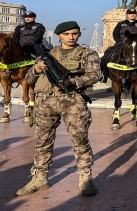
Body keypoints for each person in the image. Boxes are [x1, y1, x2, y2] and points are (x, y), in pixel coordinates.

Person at [16, 21, 100, 196]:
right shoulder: (46, 55)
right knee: (42, 142)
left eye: (75, 33)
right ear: (59, 35)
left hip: (73, 101)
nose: (71, 37)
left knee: (80, 140)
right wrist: (37, 69)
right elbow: (29, 79)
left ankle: (85, 177)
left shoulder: (87, 53)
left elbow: (94, 75)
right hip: (45, 102)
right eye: (67, 34)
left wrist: (73, 82)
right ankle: (40, 178)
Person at [100, 9, 137, 83]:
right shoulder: (121, 24)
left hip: (135, 46)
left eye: (134, 13)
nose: (132, 15)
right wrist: (120, 42)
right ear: (126, 15)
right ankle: (104, 75)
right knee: (104, 58)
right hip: (121, 45)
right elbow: (115, 34)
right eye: (130, 13)